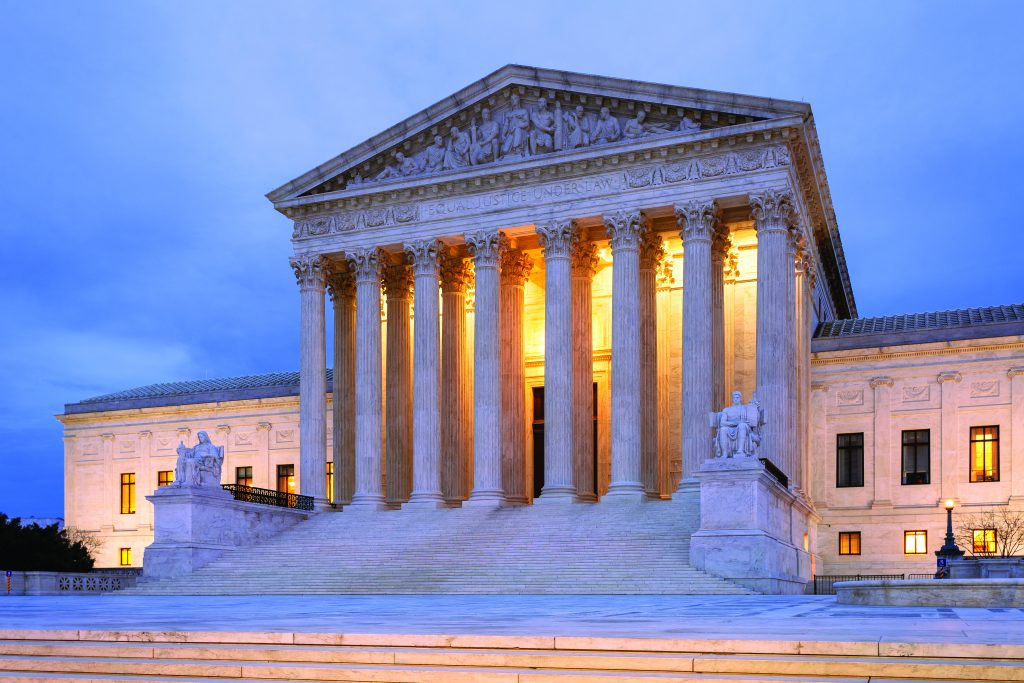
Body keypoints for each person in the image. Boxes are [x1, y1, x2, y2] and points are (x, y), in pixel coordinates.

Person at [712, 391, 763, 458]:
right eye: (734, 397)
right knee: (722, 429)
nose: (736, 399)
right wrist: (736, 423)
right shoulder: (726, 410)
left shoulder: (745, 408)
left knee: (742, 425)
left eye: (737, 397)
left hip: (743, 428)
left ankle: (740, 450)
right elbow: (722, 423)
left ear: (740, 398)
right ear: (732, 399)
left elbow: (755, 419)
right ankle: (725, 453)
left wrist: (756, 408)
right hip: (730, 428)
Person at [501, 93, 530, 158]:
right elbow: (506, 125)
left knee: (517, 130)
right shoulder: (509, 113)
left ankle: (517, 148)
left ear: (518, 100)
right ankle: (511, 150)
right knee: (505, 150)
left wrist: (519, 125)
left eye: (515, 98)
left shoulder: (523, 111)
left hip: (522, 132)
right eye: (511, 99)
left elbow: (527, 123)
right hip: (511, 133)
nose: (513, 100)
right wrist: (503, 134)